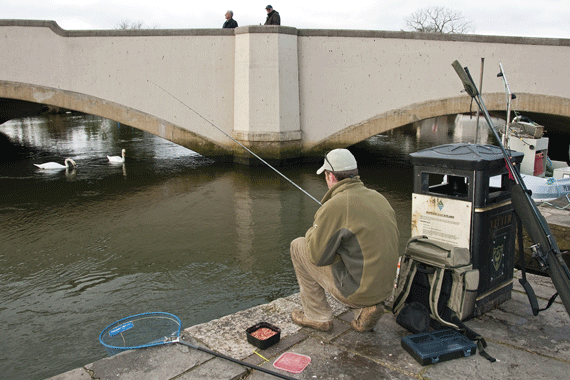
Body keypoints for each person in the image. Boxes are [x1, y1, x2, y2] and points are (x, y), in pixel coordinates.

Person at [290, 149, 400, 332]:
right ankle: (365, 310)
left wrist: (312, 231)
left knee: (298, 246)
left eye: (325, 176)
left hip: (360, 291)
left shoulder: (335, 206)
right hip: (385, 289)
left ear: (331, 176)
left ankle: (316, 316)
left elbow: (315, 256)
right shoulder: (378, 197)